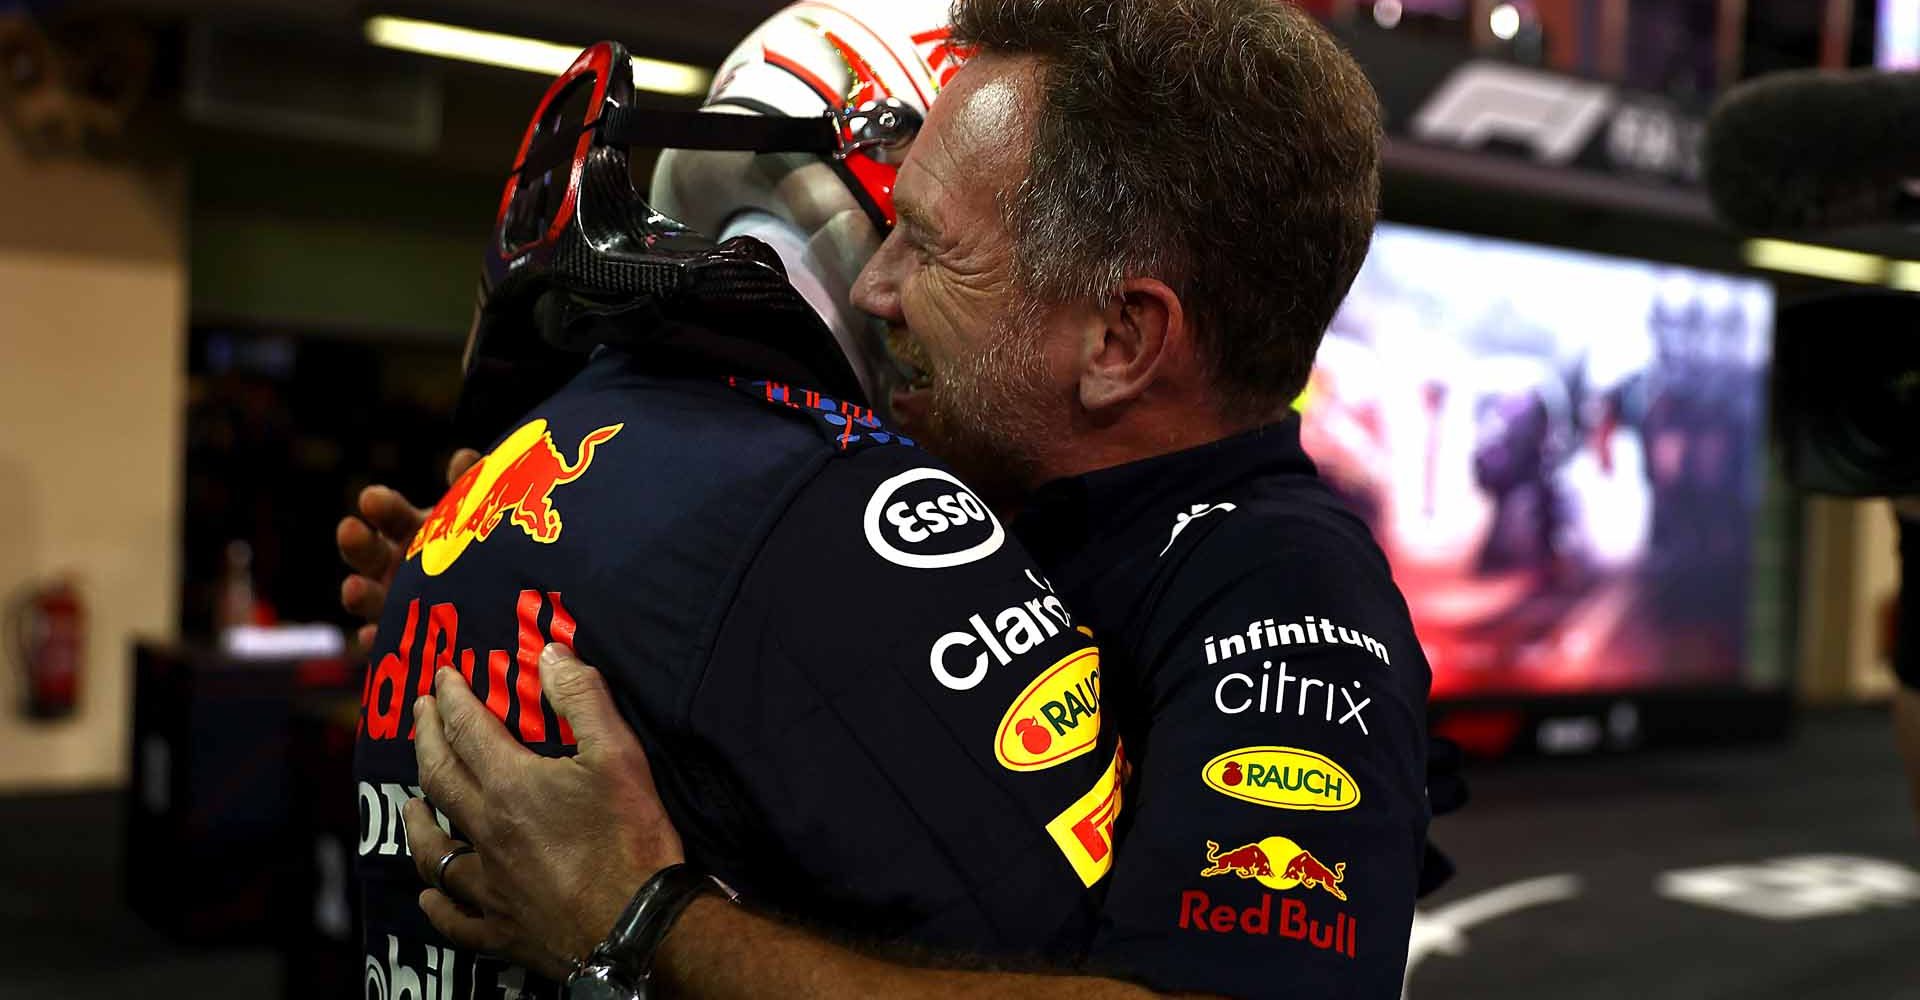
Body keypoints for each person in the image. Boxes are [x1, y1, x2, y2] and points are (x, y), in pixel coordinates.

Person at [348, 1, 1447, 996]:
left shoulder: (1286, 593)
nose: (875, 289)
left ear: (1119, 339)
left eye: (930, 248)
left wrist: (640, 919)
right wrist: (538, 610)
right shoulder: (988, 493)